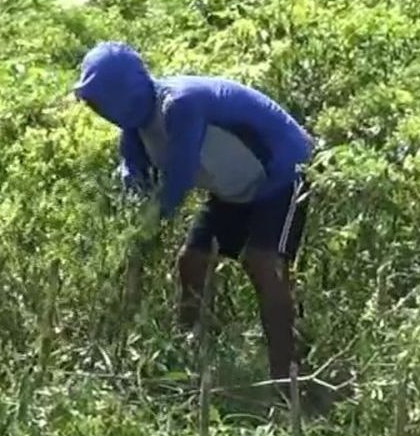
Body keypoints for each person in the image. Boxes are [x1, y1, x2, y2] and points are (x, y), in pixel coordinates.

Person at [73, 41, 315, 382]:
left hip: (282, 175)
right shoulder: (134, 133)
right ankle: (189, 362)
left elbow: (179, 177)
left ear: (122, 91)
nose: (97, 108)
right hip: (232, 190)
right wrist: (130, 194)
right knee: (192, 261)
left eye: (99, 98)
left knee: (263, 263)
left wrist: (147, 227)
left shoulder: (180, 104)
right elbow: (136, 181)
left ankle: (287, 376)